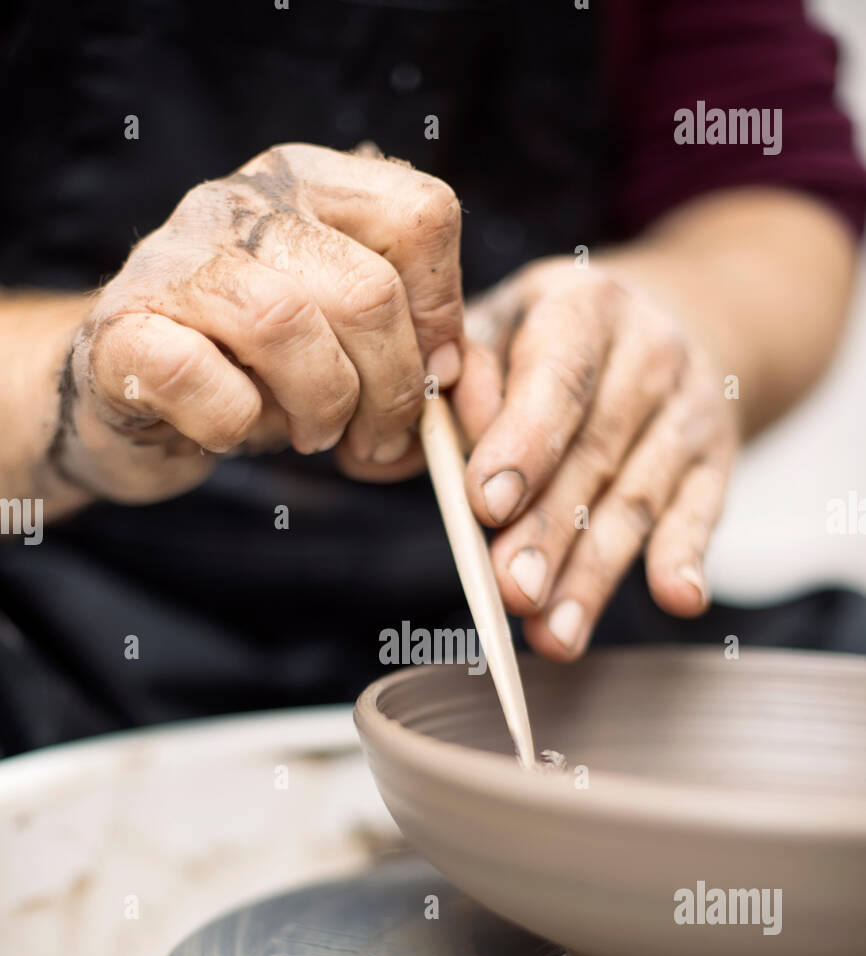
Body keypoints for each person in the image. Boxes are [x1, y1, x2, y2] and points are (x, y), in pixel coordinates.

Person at [0, 0, 863, 753]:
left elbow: (770, 183)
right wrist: (79, 380)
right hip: (63, 579)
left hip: (514, 573)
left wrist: (669, 325)